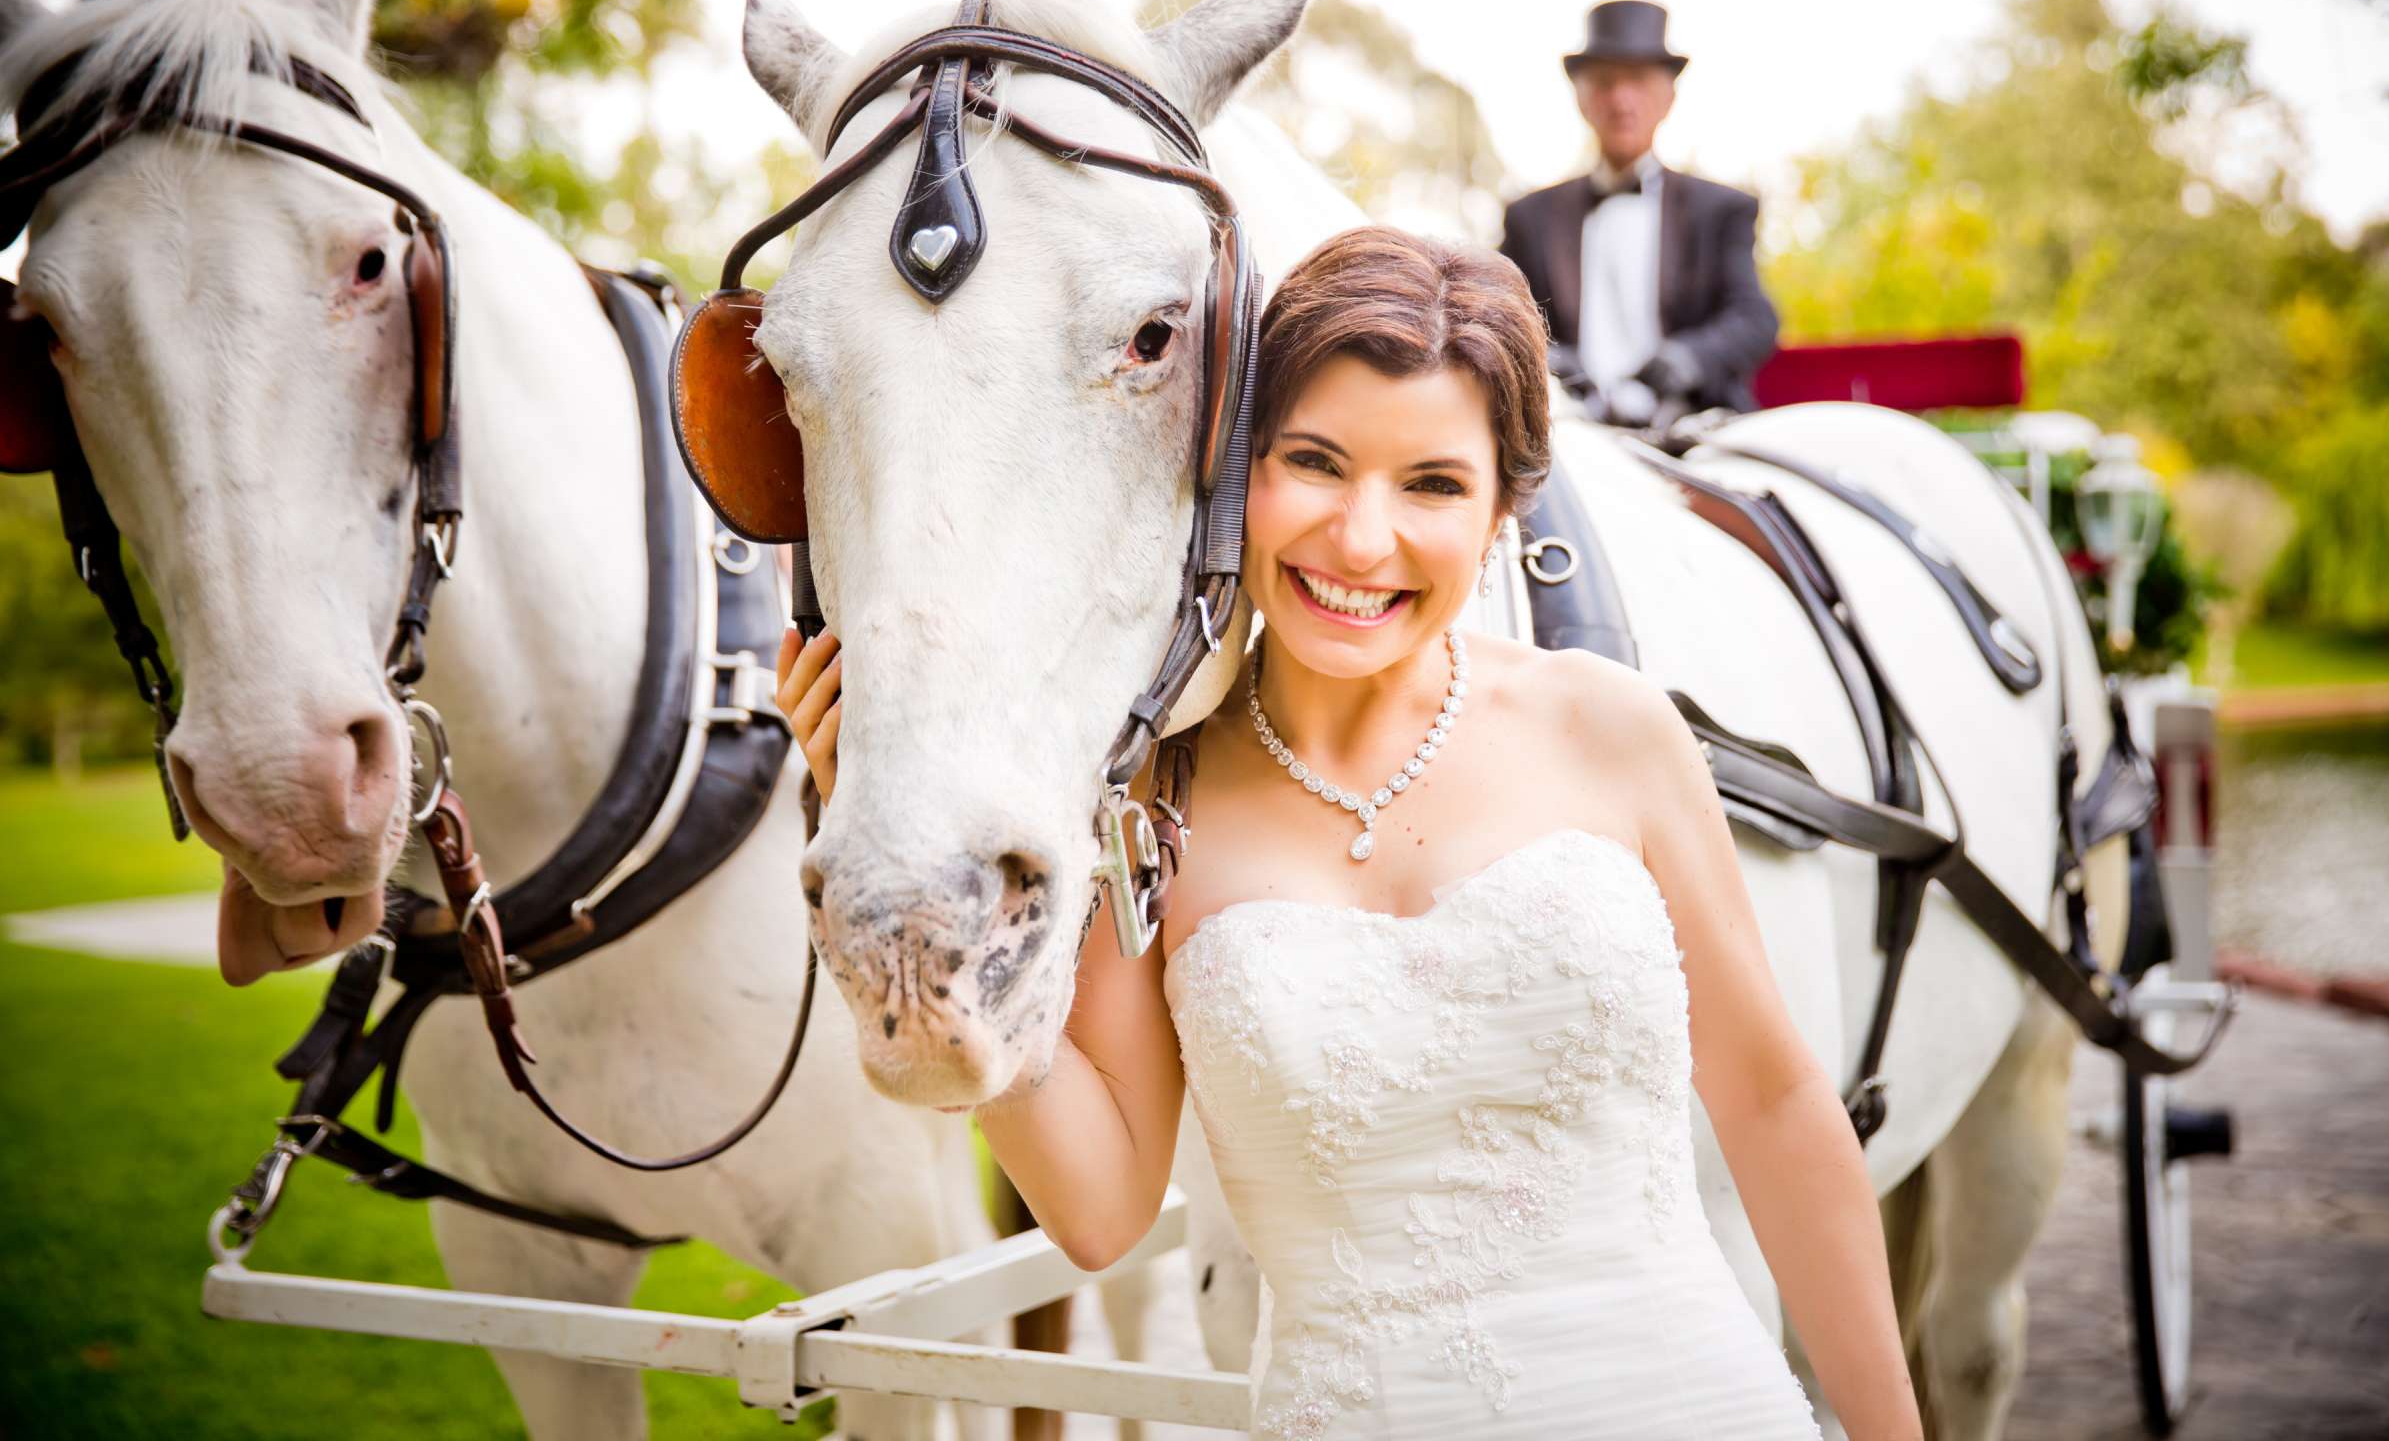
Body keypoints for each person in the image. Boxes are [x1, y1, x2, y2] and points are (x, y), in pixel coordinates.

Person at [776, 227, 1917, 1439]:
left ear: (1499, 513)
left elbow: (1779, 1107)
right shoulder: (1152, 796)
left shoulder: (1613, 727)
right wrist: (935, 925)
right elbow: (1101, 1209)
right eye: (1314, 462)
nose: (1361, 540)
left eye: (1432, 484)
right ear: (1233, 474)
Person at [1498, 0, 1779, 427]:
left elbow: (1754, 318)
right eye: (1606, 82)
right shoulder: (1530, 218)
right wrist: (1547, 360)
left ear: (1668, 98)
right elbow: (1498, 314)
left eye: (1638, 81)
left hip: (1692, 426)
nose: (1621, 99)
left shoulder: (1721, 209)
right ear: (1581, 97)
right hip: (1568, 434)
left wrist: (1686, 359)